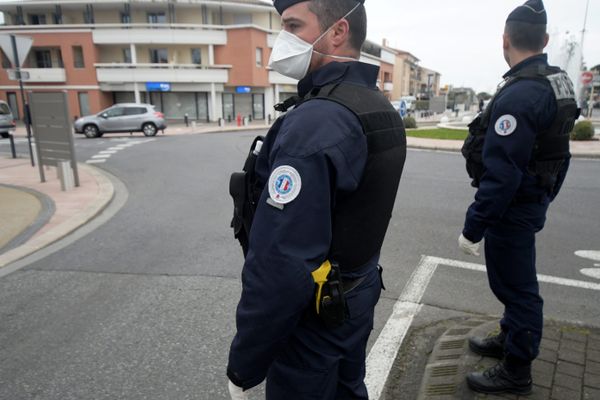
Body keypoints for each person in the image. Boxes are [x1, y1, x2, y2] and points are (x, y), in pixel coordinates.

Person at [226, 0, 407, 399]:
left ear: (337, 32)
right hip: (353, 298)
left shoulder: (315, 122)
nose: (282, 39)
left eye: (293, 25)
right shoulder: (377, 106)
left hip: (314, 322)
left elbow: (282, 264)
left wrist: (245, 364)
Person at [459, 0, 579, 395]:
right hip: (532, 197)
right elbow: (558, 154)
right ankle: (509, 338)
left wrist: (473, 228)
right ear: (544, 40)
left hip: (513, 206)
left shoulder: (521, 94)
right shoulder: (556, 83)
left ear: (505, 40)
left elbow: (503, 173)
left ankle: (517, 369)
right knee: (513, 281)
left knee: (517, 287)